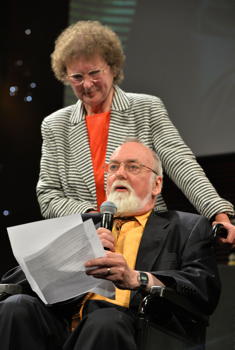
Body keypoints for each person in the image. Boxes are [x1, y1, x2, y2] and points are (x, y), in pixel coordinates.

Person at [0, 140, 220, 349]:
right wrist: (72, 252)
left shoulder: (185, 226)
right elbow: (11, 281)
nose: (119, 173)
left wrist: (137, 278)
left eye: (133, 167)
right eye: (113, 167)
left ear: (157, 184)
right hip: (66, 326)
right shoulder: (83, 224)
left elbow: (203, 289)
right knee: (16, 306)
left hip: (136, 329)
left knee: (104, 320)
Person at [36, 20, 235, 245]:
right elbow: (48, 195)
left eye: (94, 73)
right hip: (87, 243)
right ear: (65, 76)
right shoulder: (55, 126)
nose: (88, 84)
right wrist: (96, 216)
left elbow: (181, 163)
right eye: (77, 77)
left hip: (147, 241)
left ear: (112, 68)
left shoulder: (146, 109)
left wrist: (217, 213)